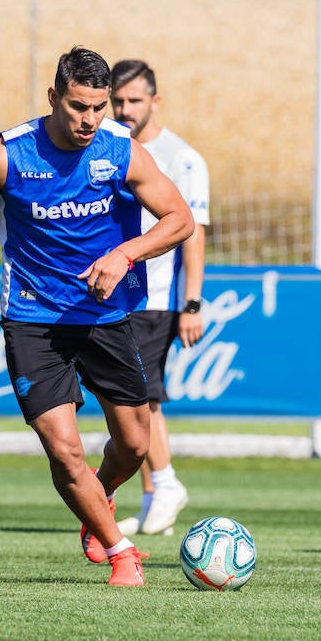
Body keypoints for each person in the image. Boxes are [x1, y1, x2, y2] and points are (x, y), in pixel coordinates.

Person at [0, 46, 193, 586]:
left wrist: (125, 253)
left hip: (105, 317)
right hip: (33, 322)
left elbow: (180, 219)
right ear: (53, 97)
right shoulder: (5, 156)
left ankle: (96, 502)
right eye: (78, 106)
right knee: (63, 446)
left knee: (136, 445)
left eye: (99, 108)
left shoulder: (121, 153)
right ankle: (120, 550)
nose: (89, 120)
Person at [108, 59, 210, 536]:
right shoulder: (108, 148)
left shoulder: (182, 159)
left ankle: (167, 484)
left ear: (155, 101)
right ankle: (154, 503)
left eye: (134, 101)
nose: (125, 109)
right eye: (119, 101)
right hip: (113, 295)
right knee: (125, 398)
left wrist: (192, 303)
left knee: (143, 399)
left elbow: (192, 233)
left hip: (155, 296)